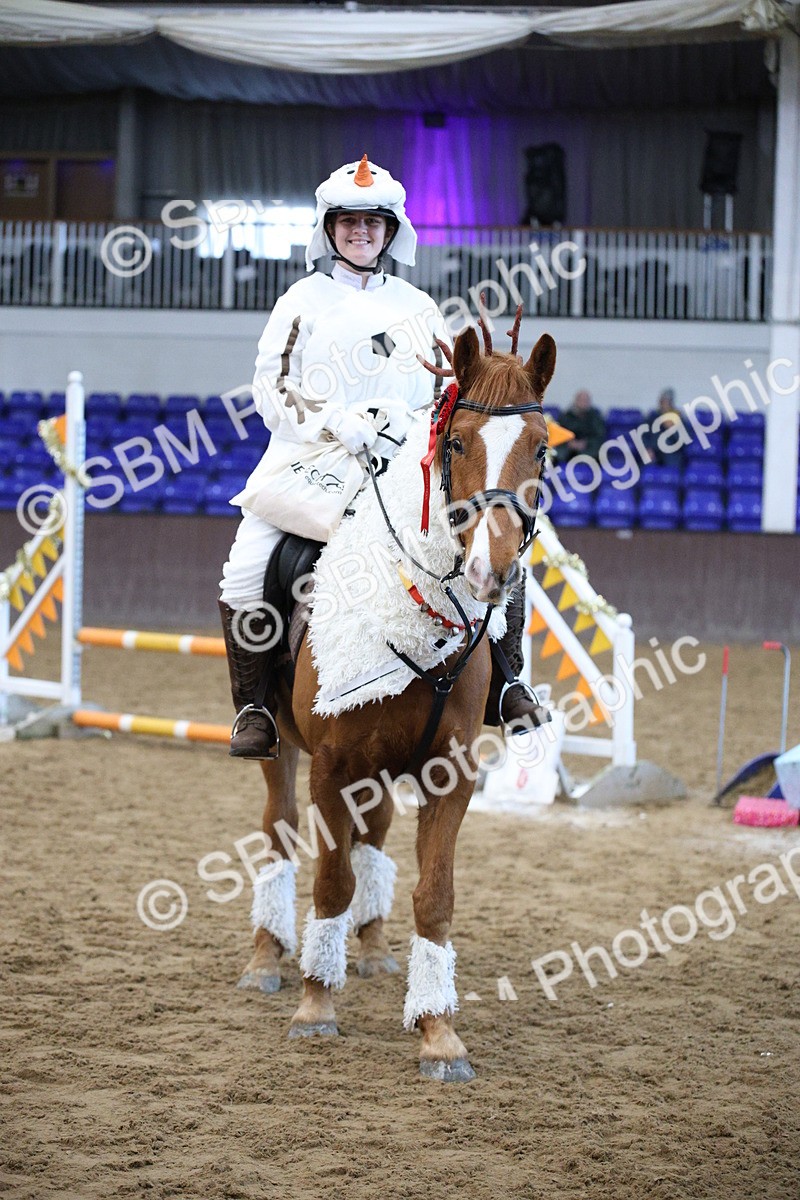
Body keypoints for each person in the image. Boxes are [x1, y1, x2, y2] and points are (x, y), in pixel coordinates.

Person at [217, 155, 546, 759]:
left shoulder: (420, 307)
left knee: (490, 548)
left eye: (373, 221)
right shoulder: (300, 300)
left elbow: (449, 393)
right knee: (246, 567)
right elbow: (272, 385)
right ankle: (256, 707)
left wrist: (414, 426)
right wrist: (337, 420)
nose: (361, 231)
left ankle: (506, 681)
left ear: (391, 231)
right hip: (310, 463)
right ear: (330, 228)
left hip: (399, 466)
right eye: (348, 221)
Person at [556, 390, 606, 463]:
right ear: (575, 401)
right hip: (568, 448)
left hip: (589, 448)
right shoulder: (565, 416)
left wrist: (586, 443)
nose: (583, 403)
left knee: (598, 456)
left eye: (586, 400)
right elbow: (559, 434)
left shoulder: (595, 417)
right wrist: (570, 443)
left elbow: (599, 436)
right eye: (581, 400)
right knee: (555, 455)